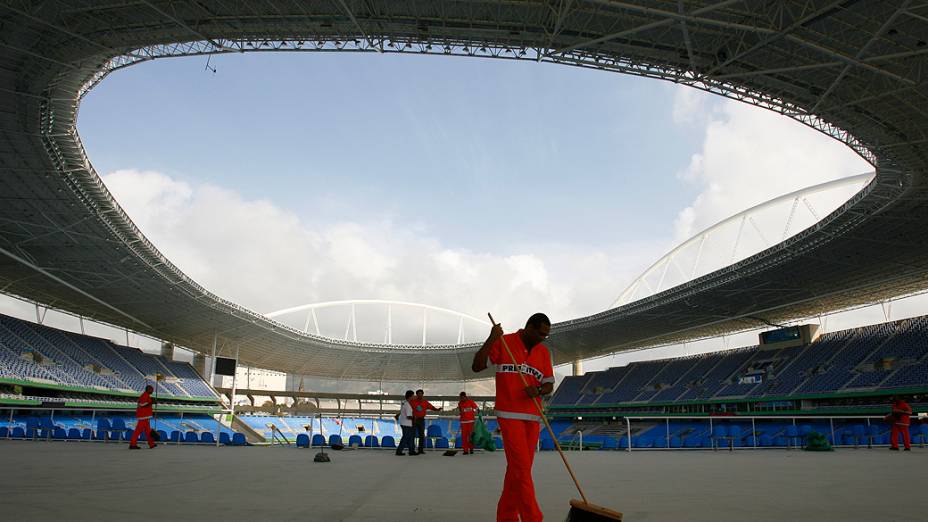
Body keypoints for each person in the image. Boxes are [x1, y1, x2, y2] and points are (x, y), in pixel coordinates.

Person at [472, 313, 554, 522]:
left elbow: (548, 384)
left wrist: (538, 390)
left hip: (534, 417)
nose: (543, 338)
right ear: (529, 327)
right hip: (509, 414)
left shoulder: (543, 352)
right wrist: (492, 337)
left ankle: (506, 516)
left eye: (546, 335)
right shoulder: (505, 342)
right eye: (541, 333)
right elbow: (477, 365)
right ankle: (533, 517)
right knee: (521, 469)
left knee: (519, 470)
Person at [411, 389, 442, 454]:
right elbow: (407, 409)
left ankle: (420, 450)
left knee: (422, 435)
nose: (419, 395)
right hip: (414, 420)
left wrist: (437, 409)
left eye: (421, 393)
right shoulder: (412, 401)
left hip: (421, 420)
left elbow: (432, 407)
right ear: (416, 395)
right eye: (418, 394)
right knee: (412, 435)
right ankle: (412, 449)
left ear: (422, 394)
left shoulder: (425, 402)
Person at [129, 384, 157, 449]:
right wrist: (151, 402)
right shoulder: (145, 395)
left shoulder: (146, 395)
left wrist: (151, 401)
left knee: (148, 431)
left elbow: (146, 404)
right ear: (148, 389)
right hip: (143, 417)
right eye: (151, 389)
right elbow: (142, 404)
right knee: (138, 431)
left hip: (145, 417)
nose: (152, 391)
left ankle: (151, 444)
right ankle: (133, 444)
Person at [395, 390, 417, 456]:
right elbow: (408, 416)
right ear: (410, 396)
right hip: (407, 424)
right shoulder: (407, 405)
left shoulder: (404, 402)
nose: (414, 396)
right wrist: (414, 418)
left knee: (409, 437)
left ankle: (411, 451)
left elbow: (402, 412)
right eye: (413, 395)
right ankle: (399, 451)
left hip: (403, 423)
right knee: (405, 438)